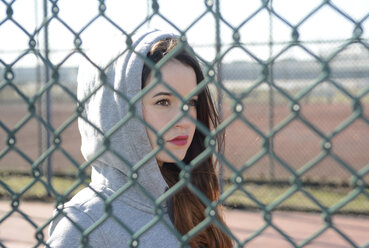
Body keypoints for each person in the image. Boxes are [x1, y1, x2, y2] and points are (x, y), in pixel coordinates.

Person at [47, 30, 233, 248]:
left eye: (191, 102)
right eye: (163, 101)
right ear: (117, 111)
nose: (185, 120)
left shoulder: (190, 200)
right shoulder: (84, 223)